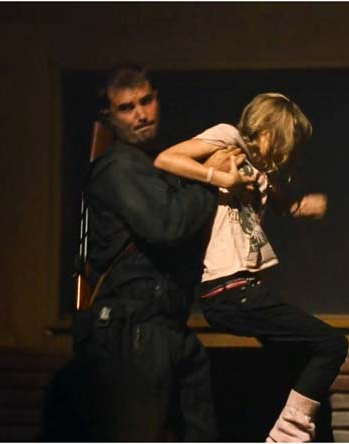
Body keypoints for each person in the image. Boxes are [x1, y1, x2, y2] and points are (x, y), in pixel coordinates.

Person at [154, 93, 349, 443]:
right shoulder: (228, 137)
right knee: (332, 344)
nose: (288, 154)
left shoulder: (261, 173)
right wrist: (219, 177)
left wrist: (308, 207)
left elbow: (284, 206)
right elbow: (167, 159)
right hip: (228, 288)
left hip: (243, 290)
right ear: (271, 132)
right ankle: (286, 437)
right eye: (288, 143)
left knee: (301, 362)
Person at [73, 64, 237, 441]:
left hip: (165, 328)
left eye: (146, 101)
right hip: (134, 330)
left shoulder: (152, 165)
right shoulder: (118, 167)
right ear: (109, 116)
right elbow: (168, 224)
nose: (141, 114)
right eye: (126, 107)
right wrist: (209, 178)